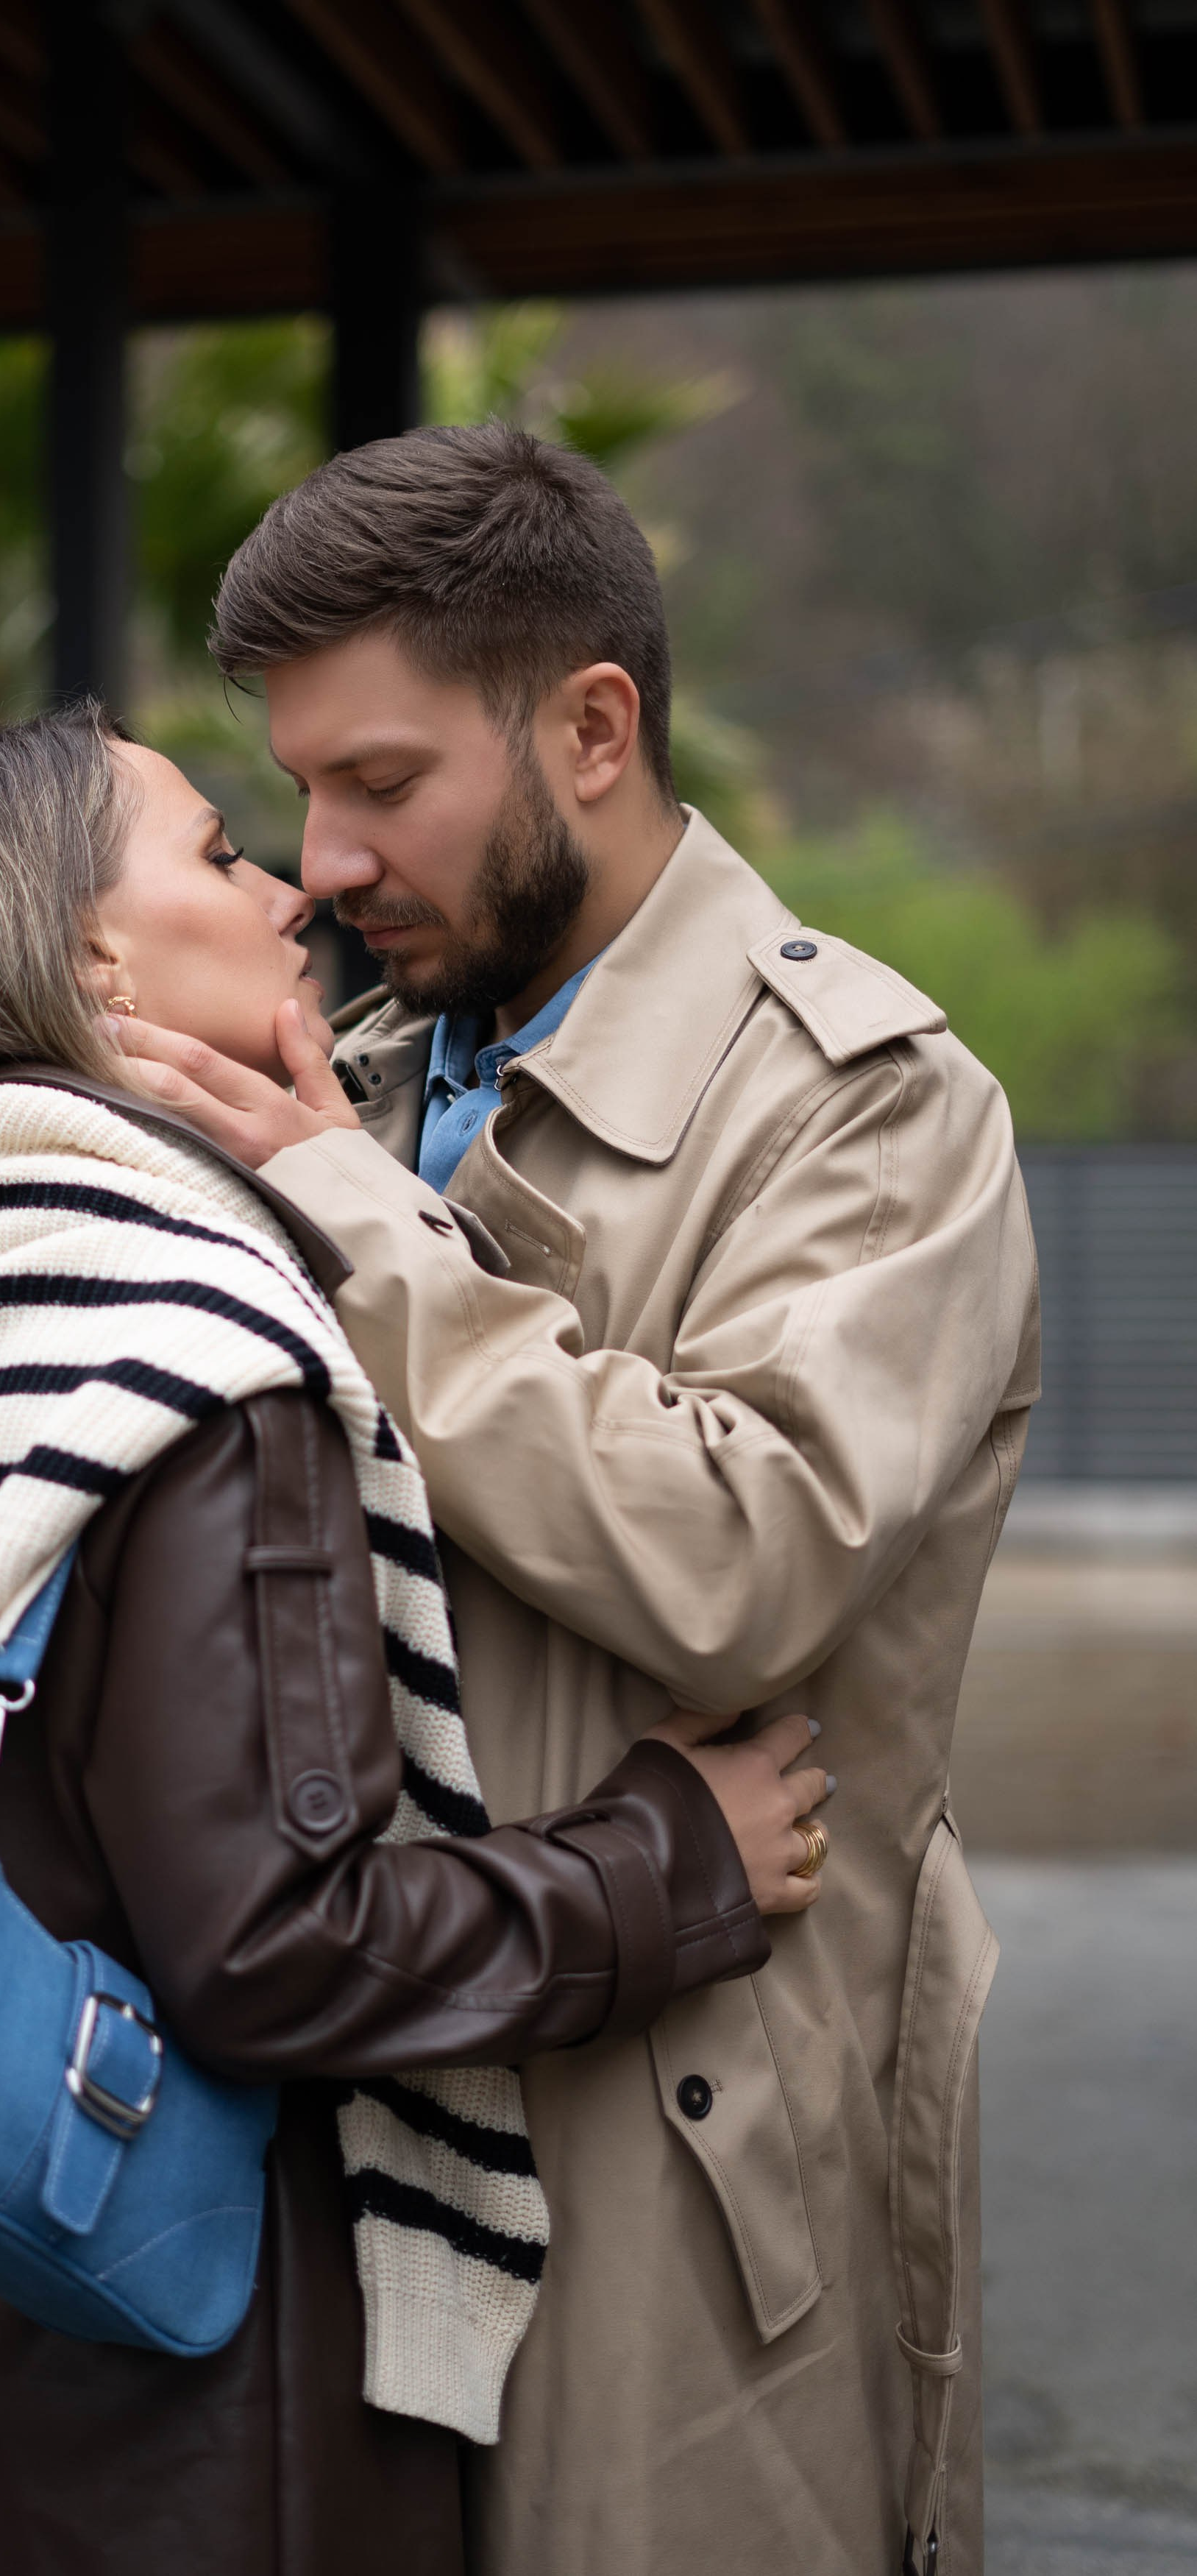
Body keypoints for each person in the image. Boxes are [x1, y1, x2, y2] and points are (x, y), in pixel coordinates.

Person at [0, 706, 834, 2576]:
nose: (287, 890)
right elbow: (273, 1955)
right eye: (216, 848)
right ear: (96, 959)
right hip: (168, 2392)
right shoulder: (203, 1357)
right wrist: (667, 1867)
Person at [104, 425, 1041, 2576]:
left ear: (589, 728)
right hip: (336, 2130)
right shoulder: (333, 1069)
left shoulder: (870, 1111)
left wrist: (346, 1210)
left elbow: (741, 1560)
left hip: (683, 2185)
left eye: (382, 779)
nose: (321, 858)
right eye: (298, 790)